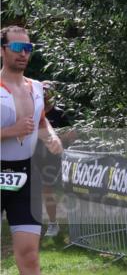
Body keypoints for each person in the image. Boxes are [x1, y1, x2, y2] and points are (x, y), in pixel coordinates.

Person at [1, 25, 63, 275]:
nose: (24, 52)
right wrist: (9, 131)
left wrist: (50, 136)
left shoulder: (36, 87)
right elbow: (18, 128)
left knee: (29, 257)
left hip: (24, 176)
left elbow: (40, 123)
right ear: (2, 49)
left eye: (28, 47)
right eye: (17, 46)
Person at [35, 81, 76, 237]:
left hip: (55, 159)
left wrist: (58, 139)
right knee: (40, 192)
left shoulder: (60, 113)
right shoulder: (34, 113)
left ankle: (56, 224)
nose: (44, 96)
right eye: (42, 92)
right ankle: (45, 223)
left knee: (53, 190)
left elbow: (72, 136)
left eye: (47, 92)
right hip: (36, 157)